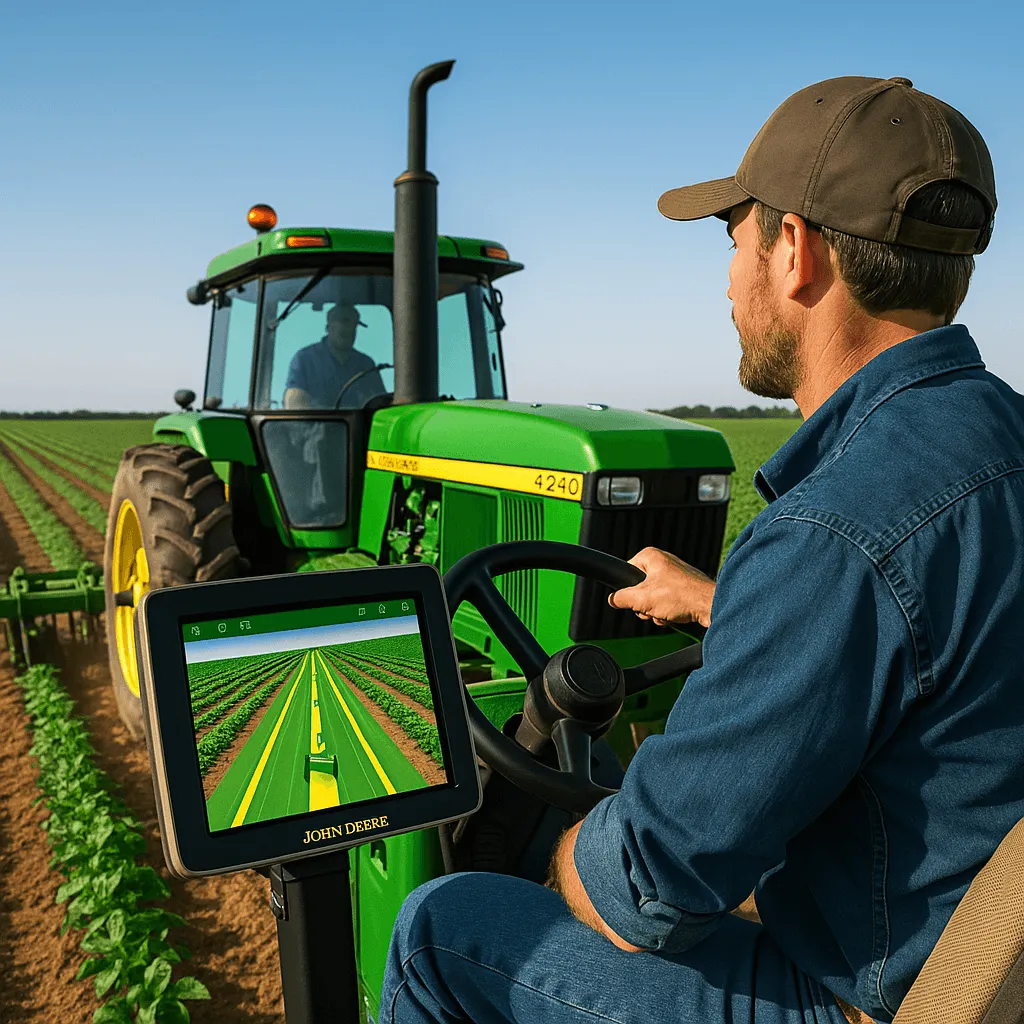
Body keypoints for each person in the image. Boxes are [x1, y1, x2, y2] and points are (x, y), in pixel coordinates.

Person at [380, 77, 1024, 1024]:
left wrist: (568, 835)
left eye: (734, 241)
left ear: (794, 251)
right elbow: (934, 629)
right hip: (981, 962)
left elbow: (643, 888)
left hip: (870, 998)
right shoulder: (995, 443)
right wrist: (733, 606)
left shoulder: (830, 532)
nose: (729, 278)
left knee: (443, 923)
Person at [283, 301, 386, 409]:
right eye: (344, 322)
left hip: (357, 425)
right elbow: (295, 403)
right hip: (315, 425)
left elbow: (379, 405)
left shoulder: (366, 364)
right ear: (328, 328)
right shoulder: (305, 359)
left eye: (354, 325)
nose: (349, 328)